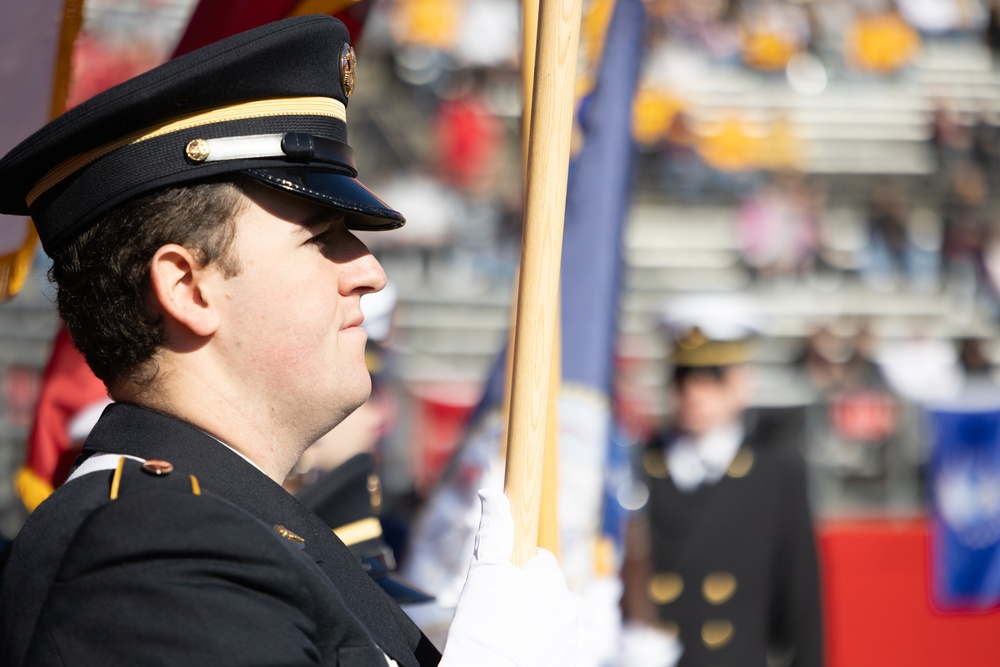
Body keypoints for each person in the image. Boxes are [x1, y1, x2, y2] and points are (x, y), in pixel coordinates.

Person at [0, 15, 579, 666]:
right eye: (320, 236)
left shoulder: (236, 527)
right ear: (189, 288)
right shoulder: (149, 550)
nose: (370, 271)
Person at [620, 295, 823, 667]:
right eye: (682, 376)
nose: (695, 392)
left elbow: (802, 613)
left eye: (712, 376)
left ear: (742, 382)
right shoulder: (635, 469)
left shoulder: (777, 479)